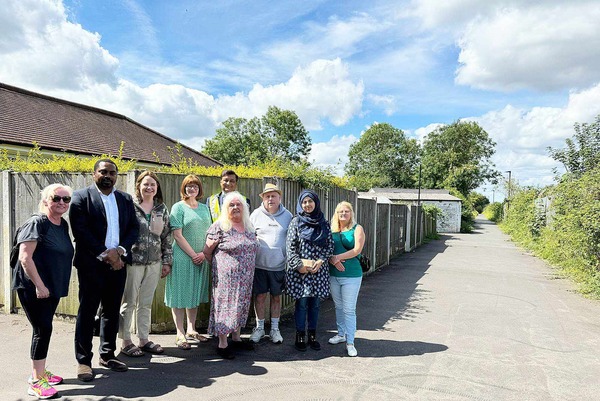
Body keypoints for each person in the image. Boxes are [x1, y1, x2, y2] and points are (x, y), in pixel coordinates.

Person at [70, 159, 139, 382]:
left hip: (118, 263)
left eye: (111, 172)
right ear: (94, 174)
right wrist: (105, 254)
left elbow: (133, 229)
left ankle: (107, 355)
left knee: (111, 311)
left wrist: (118, 251)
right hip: (91, 265)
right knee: (87, 312)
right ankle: (83, 361)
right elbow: (80, 231)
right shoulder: (82, 197)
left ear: (117, 176)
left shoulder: (125, 199)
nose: (107, 175)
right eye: (103, 171)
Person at [13, 184, 74, 399]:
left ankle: (40, 371)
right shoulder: (36, 223)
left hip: (52, 286)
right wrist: (39, 286)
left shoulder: (61, 223)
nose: (61, 203)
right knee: (43, 330)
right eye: (56, 198)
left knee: (44, 329)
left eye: (66, 200)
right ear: (46, 200)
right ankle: (36, 381)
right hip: (34, 287)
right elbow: (25, 258)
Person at [119, 171, 173, 357]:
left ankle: (143, 339)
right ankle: (126, 341)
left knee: (146, 303)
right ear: (139, 186)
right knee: (129, 302)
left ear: (157, 188)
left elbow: (166, 236)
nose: (149, 187)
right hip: (133, 261)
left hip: (154, 262)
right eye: (146, 184)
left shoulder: (161, 208)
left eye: (153, 185)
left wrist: (166, 261)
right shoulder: (130, 206)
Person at [203, 191, 259, 359]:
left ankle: (236, 337)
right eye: (231, 205)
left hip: (246, 278)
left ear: (245, 207)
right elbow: (207, 252)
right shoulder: (219, 226)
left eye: (238, 204)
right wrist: (221, 269)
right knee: (225, 307)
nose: (235, 207)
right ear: (225, 209)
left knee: (240, 306)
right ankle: (222, 343)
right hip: (225, 280)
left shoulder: (249, 226)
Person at [164, 175, 212, 350]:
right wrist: (193, 254)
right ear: (183, 189)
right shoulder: (178, 207)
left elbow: (210, 232)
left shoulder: (205, 208)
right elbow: (177, 234)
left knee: (194, 292)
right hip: (184, 257)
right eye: (189, 186)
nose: (192, 189)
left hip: (201, 256)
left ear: (199, 189)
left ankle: (192, 329)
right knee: (179, 293)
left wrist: (203, 253)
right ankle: (180, 332)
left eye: (195, 186)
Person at [285, 189, 334, 352]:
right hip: (301, 272)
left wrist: (320, 261)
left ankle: (312, 336)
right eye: (304, 202)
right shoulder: (295, 222)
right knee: (302, 304)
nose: (307, 204)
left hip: (319, 271)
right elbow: (290, 248)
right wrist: (299, 265)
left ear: (316, 202)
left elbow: (330, 246)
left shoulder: (324, 223)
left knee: (315, 305)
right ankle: (300, 336)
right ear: (300, 204)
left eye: (310, 201)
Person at [249, 183, 293, 344]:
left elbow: (292, 240)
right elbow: (249, 235)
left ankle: (275, 329)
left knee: (276, 298)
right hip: (259, 266)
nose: (270, 199)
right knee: (259, 297)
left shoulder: (288, 216)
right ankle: (259, 328)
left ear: (279, 197)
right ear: (263, 198)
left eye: (273, 196)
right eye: (267, 196)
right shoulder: (255, 214)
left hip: (278, 266)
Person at [327, 201, 366, 357]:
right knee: (338, 306)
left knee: (349, 310)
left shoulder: (358, 229)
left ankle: (350, 342)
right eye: (340, 211)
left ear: (351, 213)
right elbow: (326, 249)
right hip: (333, 275)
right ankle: (341, 334)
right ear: (336, 214)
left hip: (351, 275)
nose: (343, 214)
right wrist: (332, 259)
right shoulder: (332, 230)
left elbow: (357, 250)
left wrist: (336, 258)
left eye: (346, 211)